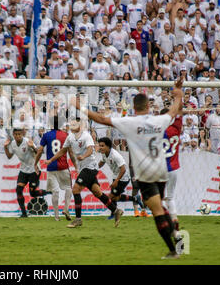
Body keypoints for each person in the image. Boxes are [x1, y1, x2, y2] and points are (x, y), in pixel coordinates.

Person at [76, 77, 184, 259]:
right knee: (157, 205)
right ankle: (177, 235)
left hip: (145, 174)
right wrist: (178, 93)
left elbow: (101, 119)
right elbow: (174, 111)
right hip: (162, 171)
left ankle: (175, 249)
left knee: (156, 210)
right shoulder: (159, 120)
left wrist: (80, 107)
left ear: (134, 108)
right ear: (148, 107)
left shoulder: (130, 122)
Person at [46, 119, 123, 228]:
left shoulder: (86, 136)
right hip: (84, 169)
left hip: (90, 167)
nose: (72, 125)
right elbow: (62, 151)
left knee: (75, 189)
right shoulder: (70, 137)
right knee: (97, 192)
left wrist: (83, 156)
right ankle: (116, 211)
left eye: (75, 124)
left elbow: (90, 150)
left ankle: (78, 219)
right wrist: (51, 160)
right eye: (71, 124)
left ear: (80, 125)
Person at [4, 128, 51, 218]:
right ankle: (24, 213)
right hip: (24, 170)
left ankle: (48, 192)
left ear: (22, 134)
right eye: (16, 134)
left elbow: (39, 152)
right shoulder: (13, 144)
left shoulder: (27, 142)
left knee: (32, 193)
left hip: (34, 169)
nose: (17, 136)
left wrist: (32, 146)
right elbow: (9, 156)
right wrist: (5, 147)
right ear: (13, 135)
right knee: (18, 190)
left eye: (19, 134)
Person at [34, 117, 74, 221]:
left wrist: (35, 163)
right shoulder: (66, 135)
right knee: (68, 187)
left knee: (55, 191)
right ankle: (66, 208)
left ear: (50, 124)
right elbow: (71, 152)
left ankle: (56, 216)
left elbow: (39, 151)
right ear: (61, 124)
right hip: (63, 166)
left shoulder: (46, 135)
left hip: (51, 167)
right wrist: (76, 165)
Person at [97, 137, 144, 218]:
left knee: (111, 196)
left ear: (108, 146)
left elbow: (123, 169)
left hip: (124, 177)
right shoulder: (104, 153)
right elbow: (102, 162)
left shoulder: (115, 155)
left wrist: (116, 181)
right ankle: (135, 199)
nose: (100, 147)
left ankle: (114, 213)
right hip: (116, 176)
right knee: (115, 197)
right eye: (99, 145)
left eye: (102, 146)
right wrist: (94, 168)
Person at [160, 105, 183, 234]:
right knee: (171, 197)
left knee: (159, 198)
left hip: (160, 168)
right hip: (173, 168)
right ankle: (174, 218)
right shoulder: (176, 128)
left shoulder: (157, 130)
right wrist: (178, 91)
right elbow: (180, 109)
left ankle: (166, 220)